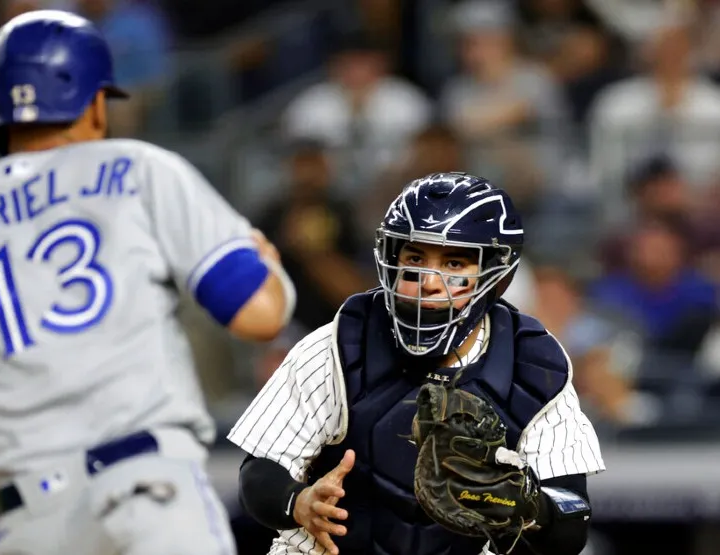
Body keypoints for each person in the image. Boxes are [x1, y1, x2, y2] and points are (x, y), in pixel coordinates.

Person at [0, 10, 296, 555]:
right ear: (94, 103)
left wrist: (15, 478)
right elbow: (258, 316)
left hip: (32, 526)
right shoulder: (139, 169)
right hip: (148, 495)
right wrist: (270, 269)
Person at [228, 172, 605, 555]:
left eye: (454, 263)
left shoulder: (533, 364)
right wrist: (298, 502)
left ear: (496, 273)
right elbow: (259, 472)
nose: (429, 281)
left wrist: (529, 505)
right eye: (415, 259)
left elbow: (572, 521)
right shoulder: (341, 343)